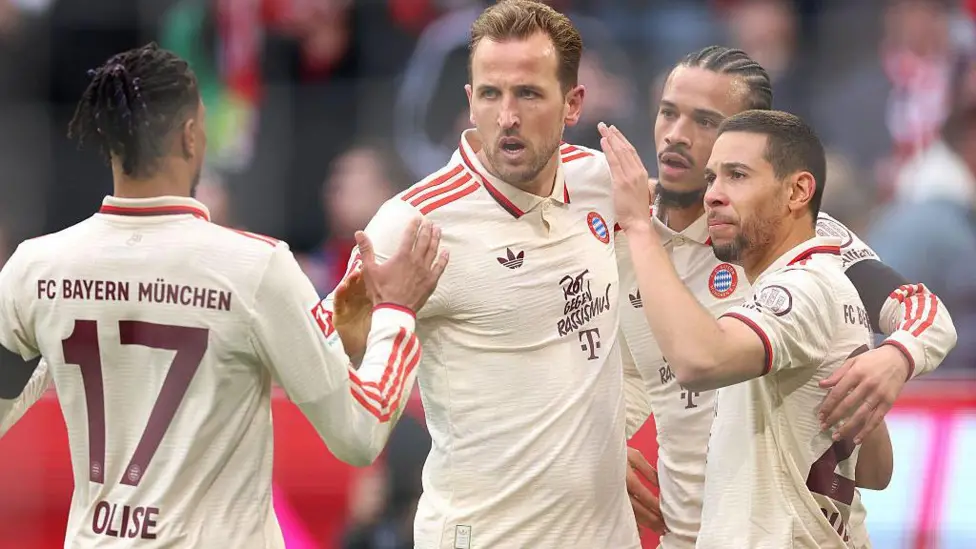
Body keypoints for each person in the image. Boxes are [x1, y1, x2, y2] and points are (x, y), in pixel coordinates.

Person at [0, 43, 448, 549]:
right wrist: (396, 312)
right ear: (192, 134)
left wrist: (333, 314)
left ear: (106, 142)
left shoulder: (36, 268)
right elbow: (358, 432)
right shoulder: (254, 268)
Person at [319, 1, 647, 547]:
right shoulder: (413, 222)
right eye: (491, 94)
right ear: (470, 102)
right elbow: (324, 359)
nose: (508, 116)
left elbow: (681, 268)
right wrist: (388, 319)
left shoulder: (600, 184)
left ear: (573, 103)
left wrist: (609, 434)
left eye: (529, 93)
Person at [615, 46, 958, 549]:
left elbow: (925, 314)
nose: (676, 135)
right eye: (669, 112)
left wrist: (897, 356)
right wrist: (597, 446)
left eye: (705, 122)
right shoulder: (625, 240)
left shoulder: (808, 247)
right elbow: (628, 368)